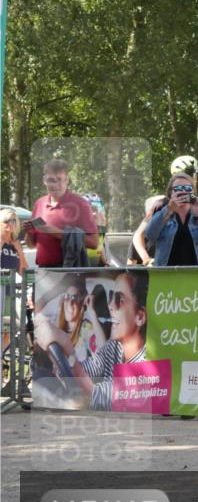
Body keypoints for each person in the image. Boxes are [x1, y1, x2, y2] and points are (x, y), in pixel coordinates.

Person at [33, 271, 148, 411]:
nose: (111, 305)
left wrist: (67, 348)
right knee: (41, 377)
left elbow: (97, 396)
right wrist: (59, 358)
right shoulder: (114, 347)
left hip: (124, 425)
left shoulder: (147, 360)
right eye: (111, 296)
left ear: (140, 317)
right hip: (102, 423)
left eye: (119, 299)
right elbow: (87, 369)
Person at [25, 159, 99, 268]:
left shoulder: (80, 204)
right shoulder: (39, 203)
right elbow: (31, 245)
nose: (55, 184)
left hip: (70, 272)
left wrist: (55, 232)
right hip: (43, 272)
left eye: (59, 179)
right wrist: (29, 232)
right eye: (51, 180)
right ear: (44, 180)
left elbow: (94, 243)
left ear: (67, 180)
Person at [145, 173, 198, 267]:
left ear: (193, 193)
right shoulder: (163, 214)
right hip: (167, 275)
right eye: (178, 189)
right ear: (170, 193)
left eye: (188, 188)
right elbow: (149, 235)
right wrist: (169, 210)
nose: (183, 192)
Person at [1, 208, 28, 356]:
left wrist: (19, 250)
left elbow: (23, 271)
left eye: (13, 221)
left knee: (13, 327)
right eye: (6, 221)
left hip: (9, 292)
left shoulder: (15, 244)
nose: (10, 224)